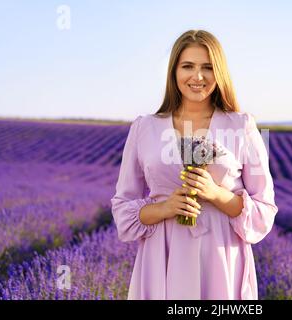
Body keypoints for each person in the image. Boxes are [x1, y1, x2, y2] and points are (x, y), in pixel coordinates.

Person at [110, 29, 278, 300]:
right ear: (174, 71)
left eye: (208, 68)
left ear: (219, 72)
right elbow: (122, 209)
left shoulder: (242, 126)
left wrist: (217, 194)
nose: (197, 77)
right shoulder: (145, 128)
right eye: (188, 66)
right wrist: (164, 208)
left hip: (221, 258)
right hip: (161, 256)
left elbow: (264, 211)